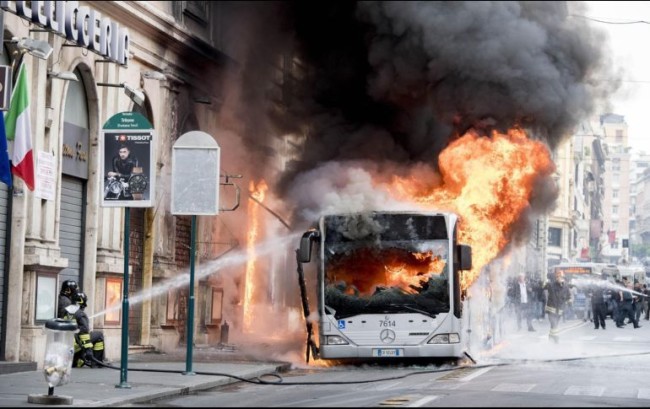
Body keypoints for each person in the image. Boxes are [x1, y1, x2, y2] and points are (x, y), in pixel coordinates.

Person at [543, 270, 571, 343]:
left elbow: (568, 296)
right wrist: (544, 281)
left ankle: (551, 336)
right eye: (558, 277)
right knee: (554, 323)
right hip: (551, 308)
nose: (559, 278)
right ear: (556, 278)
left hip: (560, 309)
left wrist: (569, 302)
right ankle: (555, 337)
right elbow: (543, 287)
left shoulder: (565, 286)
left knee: (555, 325)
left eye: (561, 277)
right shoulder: (551, 285)